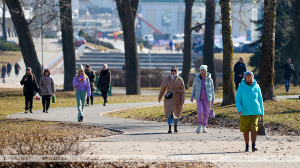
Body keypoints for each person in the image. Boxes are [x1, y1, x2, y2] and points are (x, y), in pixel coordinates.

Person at [235, 71, 264, 152]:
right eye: (247, 76)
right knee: (246, 129)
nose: (249, 78)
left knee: (254, 128)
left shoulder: (257, 86)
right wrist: (239, 110)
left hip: (255, 111)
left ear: (253, 77)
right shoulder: (241, 87)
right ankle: (247, 145)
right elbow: (238, 100)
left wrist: (262, 112)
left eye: (251, 76)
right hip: (244, 112)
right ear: (245, 78)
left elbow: (260, 100)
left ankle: (254, 145)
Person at [158, 66, 185, 133]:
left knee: (177, 112)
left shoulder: (180, 79)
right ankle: (169, 127)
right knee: (169, 112)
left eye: (175, 70)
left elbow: (183, 90)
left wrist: (182, 99)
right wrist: (159, 97)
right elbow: (163, 89)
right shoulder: (167, 79)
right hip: (169, 98)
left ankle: (175, 126)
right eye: (172, 70)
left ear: (177, 71)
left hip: (177, 98)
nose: (173, 72)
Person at [190, 65, 215, 133]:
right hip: (199, 98)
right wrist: (192, 96)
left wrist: (213, 98)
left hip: (207, 98)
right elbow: (194, 88)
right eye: (201, 70)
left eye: (203, 70)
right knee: (200, 111)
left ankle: (204, 126)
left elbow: (212, 89)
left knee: (206, 113)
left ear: (205, 71)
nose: (202, 71)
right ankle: (199, 125)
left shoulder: (210, 79)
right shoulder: (197, 79)